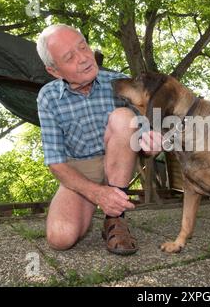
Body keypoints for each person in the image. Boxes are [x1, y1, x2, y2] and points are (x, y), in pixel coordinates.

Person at [36, 24, 161, 255]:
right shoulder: (48, 97)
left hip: (119, 160)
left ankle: (115, 220)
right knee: (60, 238)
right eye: (69, 57)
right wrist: (96, 193)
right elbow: (56, 163)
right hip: (81, 169)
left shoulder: (120, 82)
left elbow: (145, 136)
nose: (83, 58)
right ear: (54, 70)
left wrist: (152, 145)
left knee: (124, 117)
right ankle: (96, 204)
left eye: (83, 47)